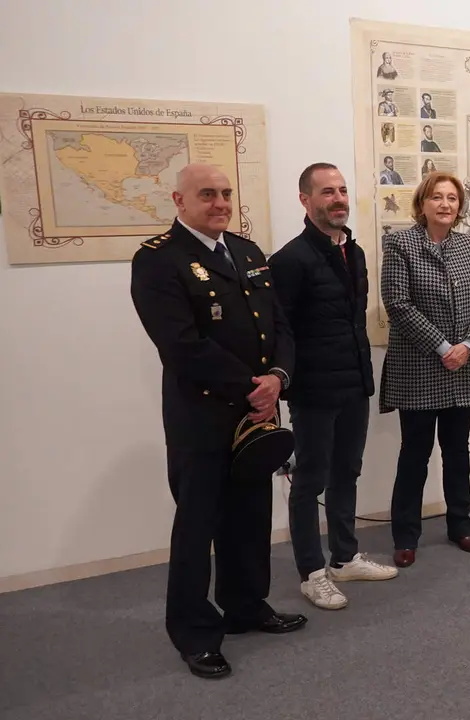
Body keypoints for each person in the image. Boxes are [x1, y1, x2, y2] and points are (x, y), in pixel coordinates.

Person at [130, 163, 306, 679]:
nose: (220, 203)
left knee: (250, 516)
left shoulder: (247, 252)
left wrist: (278, 377)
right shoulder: (158, 259)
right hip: (201, 417)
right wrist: (253, 388)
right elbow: (180, 344)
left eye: (226, 193)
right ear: (179, 201)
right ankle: (194, 632)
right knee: (198, 524)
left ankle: (246, 607)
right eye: (207, 194)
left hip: (257, 411)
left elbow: (279, 325)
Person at [268, 163, 398, 611]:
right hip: (313, 391)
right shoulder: (289, 260)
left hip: (353, 384)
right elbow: (279, 331)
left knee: (347, 472)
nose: (338, 199)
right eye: (327, 192)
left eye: (342, 190)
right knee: (309, 481)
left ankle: (344, 558)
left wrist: (363, 378)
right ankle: (312, 572)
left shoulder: (354, 252)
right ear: (305, 200)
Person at [381, 171, 470, 568]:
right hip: (418, 368)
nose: (445, 204)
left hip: (463, 367)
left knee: (457, 452)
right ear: (422, 203)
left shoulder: (467, 246)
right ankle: (405, 535)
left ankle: (460, 525)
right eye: (437, 197)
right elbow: (398, 304)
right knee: (414, 454)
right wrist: (444, 347)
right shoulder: (400, 244)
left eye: (452, 198)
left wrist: (468, 345)